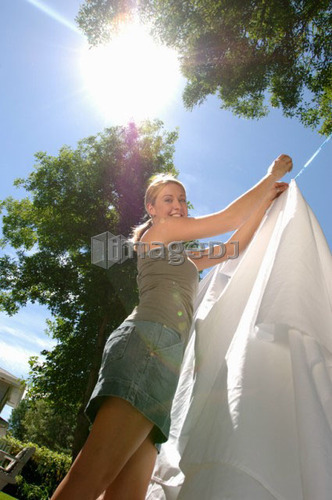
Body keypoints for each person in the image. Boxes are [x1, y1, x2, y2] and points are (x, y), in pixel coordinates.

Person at [51, 154, 292, 500]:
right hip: (145, 346)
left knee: (127, 495)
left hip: (164, 361)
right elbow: (228, 218)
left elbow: (230, 248)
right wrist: (271, 175)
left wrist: (266, 201)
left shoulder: (180, 256)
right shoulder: (159, 233)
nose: (178, 205)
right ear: (152, 208)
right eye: (169, 199)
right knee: (89, 479)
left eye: (182, 199)